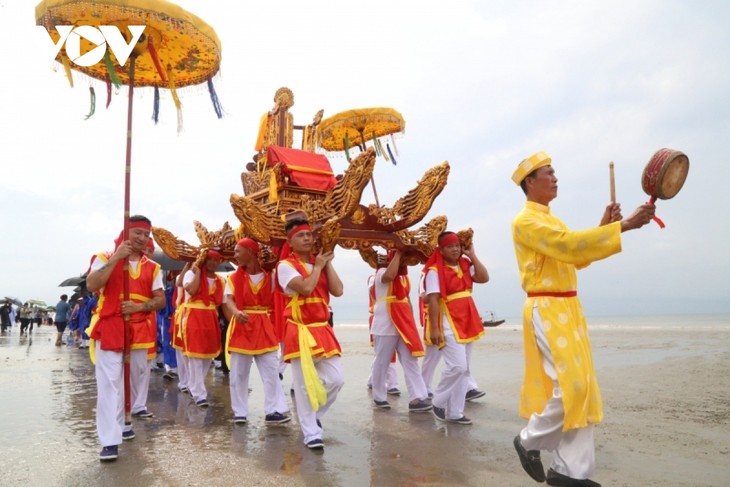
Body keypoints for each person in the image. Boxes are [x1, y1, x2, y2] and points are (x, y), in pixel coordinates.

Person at [510, 152, 655, 486]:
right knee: (572, 385)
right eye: (549, 172)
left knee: (583, 388)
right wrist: (624, 225)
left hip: (568, 309)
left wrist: (605, 226)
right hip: (547, 308)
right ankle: (528, 440)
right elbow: (572, 247)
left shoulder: (551, 220)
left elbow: (575, 258)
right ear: (530, 181)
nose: (556, 177)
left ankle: (571, 471)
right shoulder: (526, 221)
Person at [85, 215, 165, 462]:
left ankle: (125, 421)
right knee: (110, 383)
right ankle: (109, 440)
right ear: (126, 232)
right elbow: (92, 284)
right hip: (110, 325)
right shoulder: (104, 257)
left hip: (140, 327)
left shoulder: (153, 267)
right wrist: (117, 258)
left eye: (146, 234)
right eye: (138, 233)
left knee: (134, 380)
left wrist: (140, 308)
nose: (142, 238)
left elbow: (160, 300)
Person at [276, 218, 344, 450]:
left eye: (309, 235)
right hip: (300, 329)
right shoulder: (285, 265)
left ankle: (313, 415)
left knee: (336, 379)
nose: (307, 239)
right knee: (303, 384)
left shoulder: (320, 262)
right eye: (301, 236)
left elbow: (338, 290)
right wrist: (317, 268)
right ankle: (311, 433)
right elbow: (305, 288)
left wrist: (327, 263)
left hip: (322, 327)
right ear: (290, 242)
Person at [423, 231, 489, 425]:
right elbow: (433, 300)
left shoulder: (464, 264)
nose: (455, 249)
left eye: (457, 246)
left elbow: (484, 278)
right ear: (441, 250)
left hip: (468, 318)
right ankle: (438, 400)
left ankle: (455, 413)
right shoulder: (435, 271)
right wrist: (434, 328)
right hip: (448, 320)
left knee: (465, 369)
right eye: (450, 246)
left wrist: (472, 255)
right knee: (457, 366)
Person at [225, 237, 291, 425]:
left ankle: (274, 410)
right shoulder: (232, 278)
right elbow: (228, 299)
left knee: (271, 371)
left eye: (238, 251)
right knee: (238, 373)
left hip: (264, 326)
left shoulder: (270, 276)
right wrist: (236, 311)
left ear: (250, 252)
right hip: (242, 325)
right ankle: (239, 412)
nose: (235, 255)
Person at [370, 250, 432, 412]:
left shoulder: (405, 278)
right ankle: (379, 396)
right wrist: (398, 252)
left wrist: (411, 322)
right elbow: (390, 276)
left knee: (410, 360)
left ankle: (418, 397)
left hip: (404, 323)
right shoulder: (381, 272)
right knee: (382, 362)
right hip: (385, 322)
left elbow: (408, 299)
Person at [182, 250, 225, 408]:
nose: (213, 263)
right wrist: (198, 272)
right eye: (209, 260)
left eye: (216, 260)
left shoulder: (220, 280)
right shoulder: (191, 274)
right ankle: (199, 393)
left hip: (211, 317)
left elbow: (221, 303)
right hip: (194, 315)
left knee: (208, 355)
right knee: (195, 355)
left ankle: (194, 386)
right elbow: (191, 290)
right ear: (204, 261)